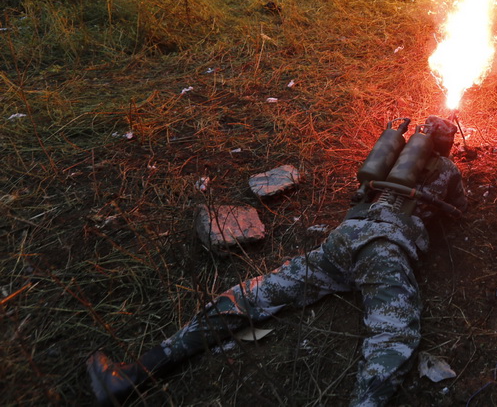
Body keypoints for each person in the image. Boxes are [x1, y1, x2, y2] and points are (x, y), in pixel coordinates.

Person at [87, 116, 467, 407]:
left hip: (341, 241)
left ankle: (135, 372)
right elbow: (459, 210)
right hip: (383, 249)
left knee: (253, 296)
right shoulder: (447, 170)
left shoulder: (386, 162)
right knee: (392, 335)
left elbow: (360, 193)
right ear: (445, 145)